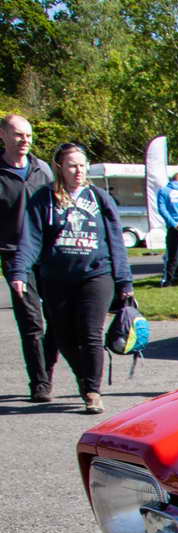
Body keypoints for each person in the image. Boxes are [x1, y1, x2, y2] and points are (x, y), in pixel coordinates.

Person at [7, 142, 132, 414]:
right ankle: (85, 378)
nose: (78, 171)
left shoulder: (99, 198)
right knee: (63, 338)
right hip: (57, 278)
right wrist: (19, 271)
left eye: (82, 165)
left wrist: (124, 281)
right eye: (72, 166)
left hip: (96, 274)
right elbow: (30, 239)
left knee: (90, 334)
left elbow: (116, 241)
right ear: (60, 168)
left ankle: (92, 391)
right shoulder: (44, 198)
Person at [0, 113, 57, 402]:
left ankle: (47, 369)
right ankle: (40, 382)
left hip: (48, 255)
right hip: (14, 256)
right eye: (19, 135)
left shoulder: (42, 169)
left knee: (57, 318)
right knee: (32, 322)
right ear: (3, 136)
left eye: (29, 136)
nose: (25, 141)